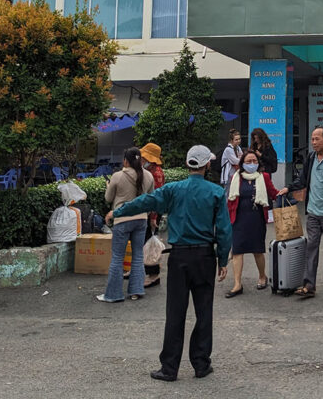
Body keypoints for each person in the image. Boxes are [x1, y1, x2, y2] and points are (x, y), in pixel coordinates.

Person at [109, 144, 232, 382]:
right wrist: (223, 258)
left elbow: (146, 201)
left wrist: (120, 211)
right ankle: (201, 364)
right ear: (207, 165)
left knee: (175, 312)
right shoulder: (216, 192)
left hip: (178, 257)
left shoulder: (174, 190)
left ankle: (169, 368)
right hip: (205, 257)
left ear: (188, 165)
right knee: (204, 312)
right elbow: (225, 230)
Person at [276, 125, 323, 299]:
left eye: (317, 139)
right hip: (313, 212)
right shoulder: (311, 157)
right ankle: (309, 285)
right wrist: (288, 187)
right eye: (312, 139)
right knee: (311, 248)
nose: (313, 142)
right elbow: (302, 180)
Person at [99, 147, 155, 303]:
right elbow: (151, 199)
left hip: (122, 220)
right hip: (141, 220)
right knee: (138, 256)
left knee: (117, 257)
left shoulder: (117, 176)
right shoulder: (149, 176)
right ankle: (136, 291)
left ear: (125, 161)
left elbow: (109, 199)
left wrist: (108, 186)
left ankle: (114, 294)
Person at [225, 150, 279, 297]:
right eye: (248, 162)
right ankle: (237, 284)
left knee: (257, 250)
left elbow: (274, 193)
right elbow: (230, 200)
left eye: (254, 161)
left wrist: (288, 193)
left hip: (257, 218)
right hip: (239, 219)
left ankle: (262, 276)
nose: (252, 164)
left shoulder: (264, 177)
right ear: (242, 163)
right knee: (237, 250)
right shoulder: (236, 178)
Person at [140, 142, 165, 289]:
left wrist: (153, 217)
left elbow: (157, 197)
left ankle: (153, 275)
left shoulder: (156, 173)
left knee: (150, 245)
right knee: (145, 243)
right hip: (150, 211)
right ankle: (146, 272)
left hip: (153, 212)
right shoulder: (150, 171)